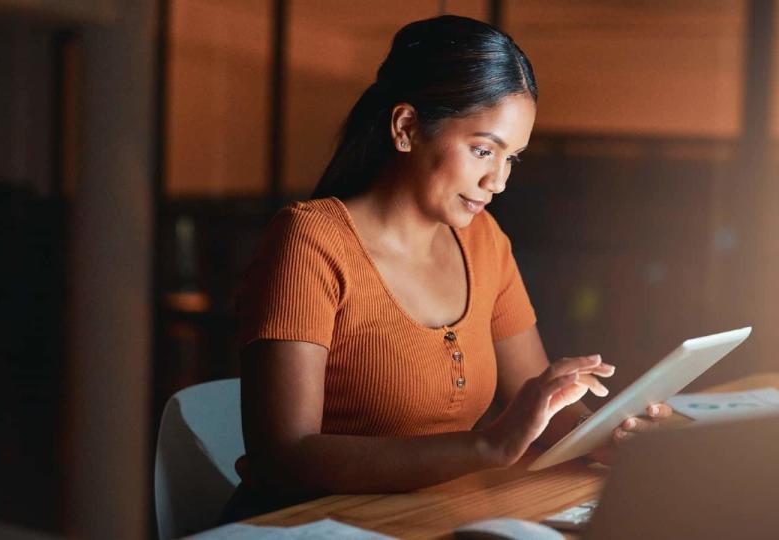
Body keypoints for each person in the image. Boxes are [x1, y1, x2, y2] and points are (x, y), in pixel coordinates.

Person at [223, 15, 672, 522]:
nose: (497, 181)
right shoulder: (310, 242)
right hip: (307, 528)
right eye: (483, 150)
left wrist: (605, 437)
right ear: (407, 128)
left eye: (512, 159)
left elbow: (541, 420)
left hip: (427, 520)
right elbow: (283, 456)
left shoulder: (485, 244)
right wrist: (485, 449)